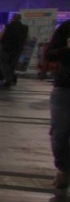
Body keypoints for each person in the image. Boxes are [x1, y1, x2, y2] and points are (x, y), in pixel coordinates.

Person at [44, 17, 70, 189]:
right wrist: (66, 49)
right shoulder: (66, 27)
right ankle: (63, 169)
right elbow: (50, 54)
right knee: (59, 135)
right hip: (65, 88)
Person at [0, 13, 28, 88]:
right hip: (18, 49)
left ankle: (8, 78)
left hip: (6, 48)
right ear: (20, 19)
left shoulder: (7, 26)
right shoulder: (25, 28)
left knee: (4, 63)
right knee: (13, 64)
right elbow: (27, 38)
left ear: (12, 18)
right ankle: (9, 78)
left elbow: (0, 37)